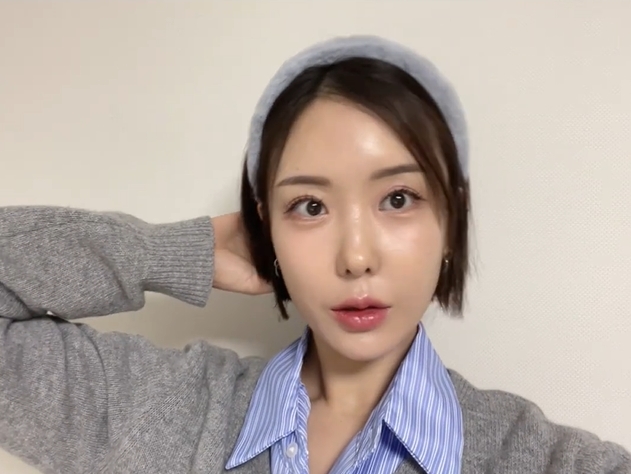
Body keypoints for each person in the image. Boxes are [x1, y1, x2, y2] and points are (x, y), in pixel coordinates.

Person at [0, 35, 629, 474]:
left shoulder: (544, 460)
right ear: (266, 228)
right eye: (309, 206)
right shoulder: (166, 412)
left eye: (399, 198)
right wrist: (174, 251)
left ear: (450, 218)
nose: (355, 257)